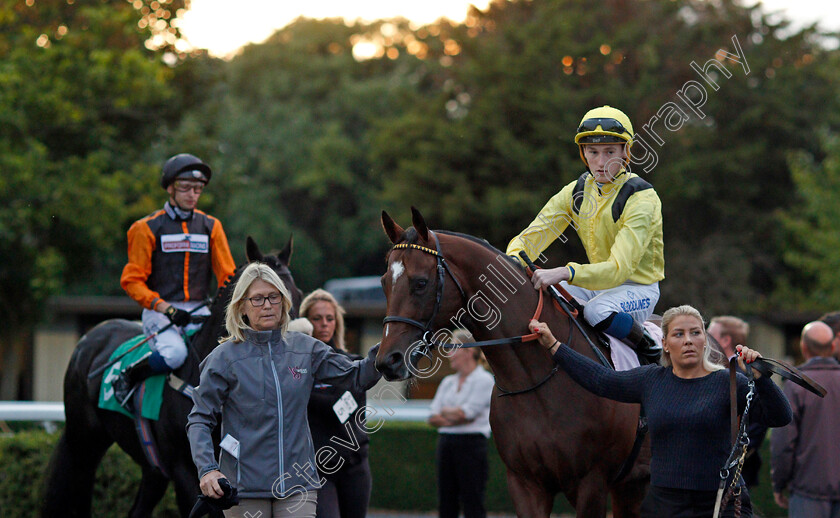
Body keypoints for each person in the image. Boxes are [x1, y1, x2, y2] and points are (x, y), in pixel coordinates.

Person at [529, 304, 792, 517]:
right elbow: (600, 380)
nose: (688, 340)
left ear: (705, 341)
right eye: (679, 334)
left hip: (720, 503)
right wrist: (554, 346)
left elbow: (780, 416)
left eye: (695, 333)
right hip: (666, 504)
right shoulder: (650, 380)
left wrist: (762, 378)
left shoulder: (728, 382)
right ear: (665, 344)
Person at [186, 263, 382, 518]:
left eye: (273, 297)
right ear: (242, 306)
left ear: (284, 302)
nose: (267, 305)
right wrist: (208, 469)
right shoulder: (223, 358)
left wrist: (388, 348)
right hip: (243, 490)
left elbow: (356, 376)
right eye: (257, 299)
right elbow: (199, 418)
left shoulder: (306, 348)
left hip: (298, 486)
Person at [506, 106, 664, 362]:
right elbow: (532, 236)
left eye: (610, 152)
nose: (601, 163)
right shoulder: (576, 191)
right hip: (597, 285)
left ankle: (649, 348)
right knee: (541, 297)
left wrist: (565, 271)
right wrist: (511, 261)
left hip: (638, 288)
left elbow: (618, 270)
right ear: (584, 154)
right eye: (593, 152)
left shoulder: (642, 199)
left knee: (596, 311)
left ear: (626, 152)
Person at [116, 153, 236, 405]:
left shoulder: (212, 226)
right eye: (185, 188)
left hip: (199, 309)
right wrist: (165, 308)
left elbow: (228, 276)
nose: (192, 194)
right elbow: (132, 281)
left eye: (198, 189)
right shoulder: (145, 228)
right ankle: (128, 375)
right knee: (174, 355)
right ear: (170, 187)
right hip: (160, 309)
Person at [301, 289, 372, 518]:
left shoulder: (353, 364)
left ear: (336, 323)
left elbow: (343, 410)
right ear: (305, 323)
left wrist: (307, 396)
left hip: (354, 465)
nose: (324, 324)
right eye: (316, 318)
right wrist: (334, 395)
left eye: (329, 318)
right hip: (317, 468)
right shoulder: (296, 367)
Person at [771, 321, 840, 518]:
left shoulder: (796, 386)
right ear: (833, 346)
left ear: (803, 347)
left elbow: (783, 442)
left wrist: (779, 483)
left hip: (807, 492)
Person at [428, 330, 495, 518]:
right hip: (446, 445)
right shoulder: (448, 381)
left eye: (452, 348)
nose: (449, 353)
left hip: (472, 446)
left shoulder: (484, 379)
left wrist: (447, 412)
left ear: (467, 351)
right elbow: (433, 417)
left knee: (473, 501)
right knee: (445, 502)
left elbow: (466, 414)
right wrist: (456, 414)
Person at [708, 316, 769, 489]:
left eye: (709, 335)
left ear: (726, 340)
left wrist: (735, 456)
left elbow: (758, 424)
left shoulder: (743, 375)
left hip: (735, 473)